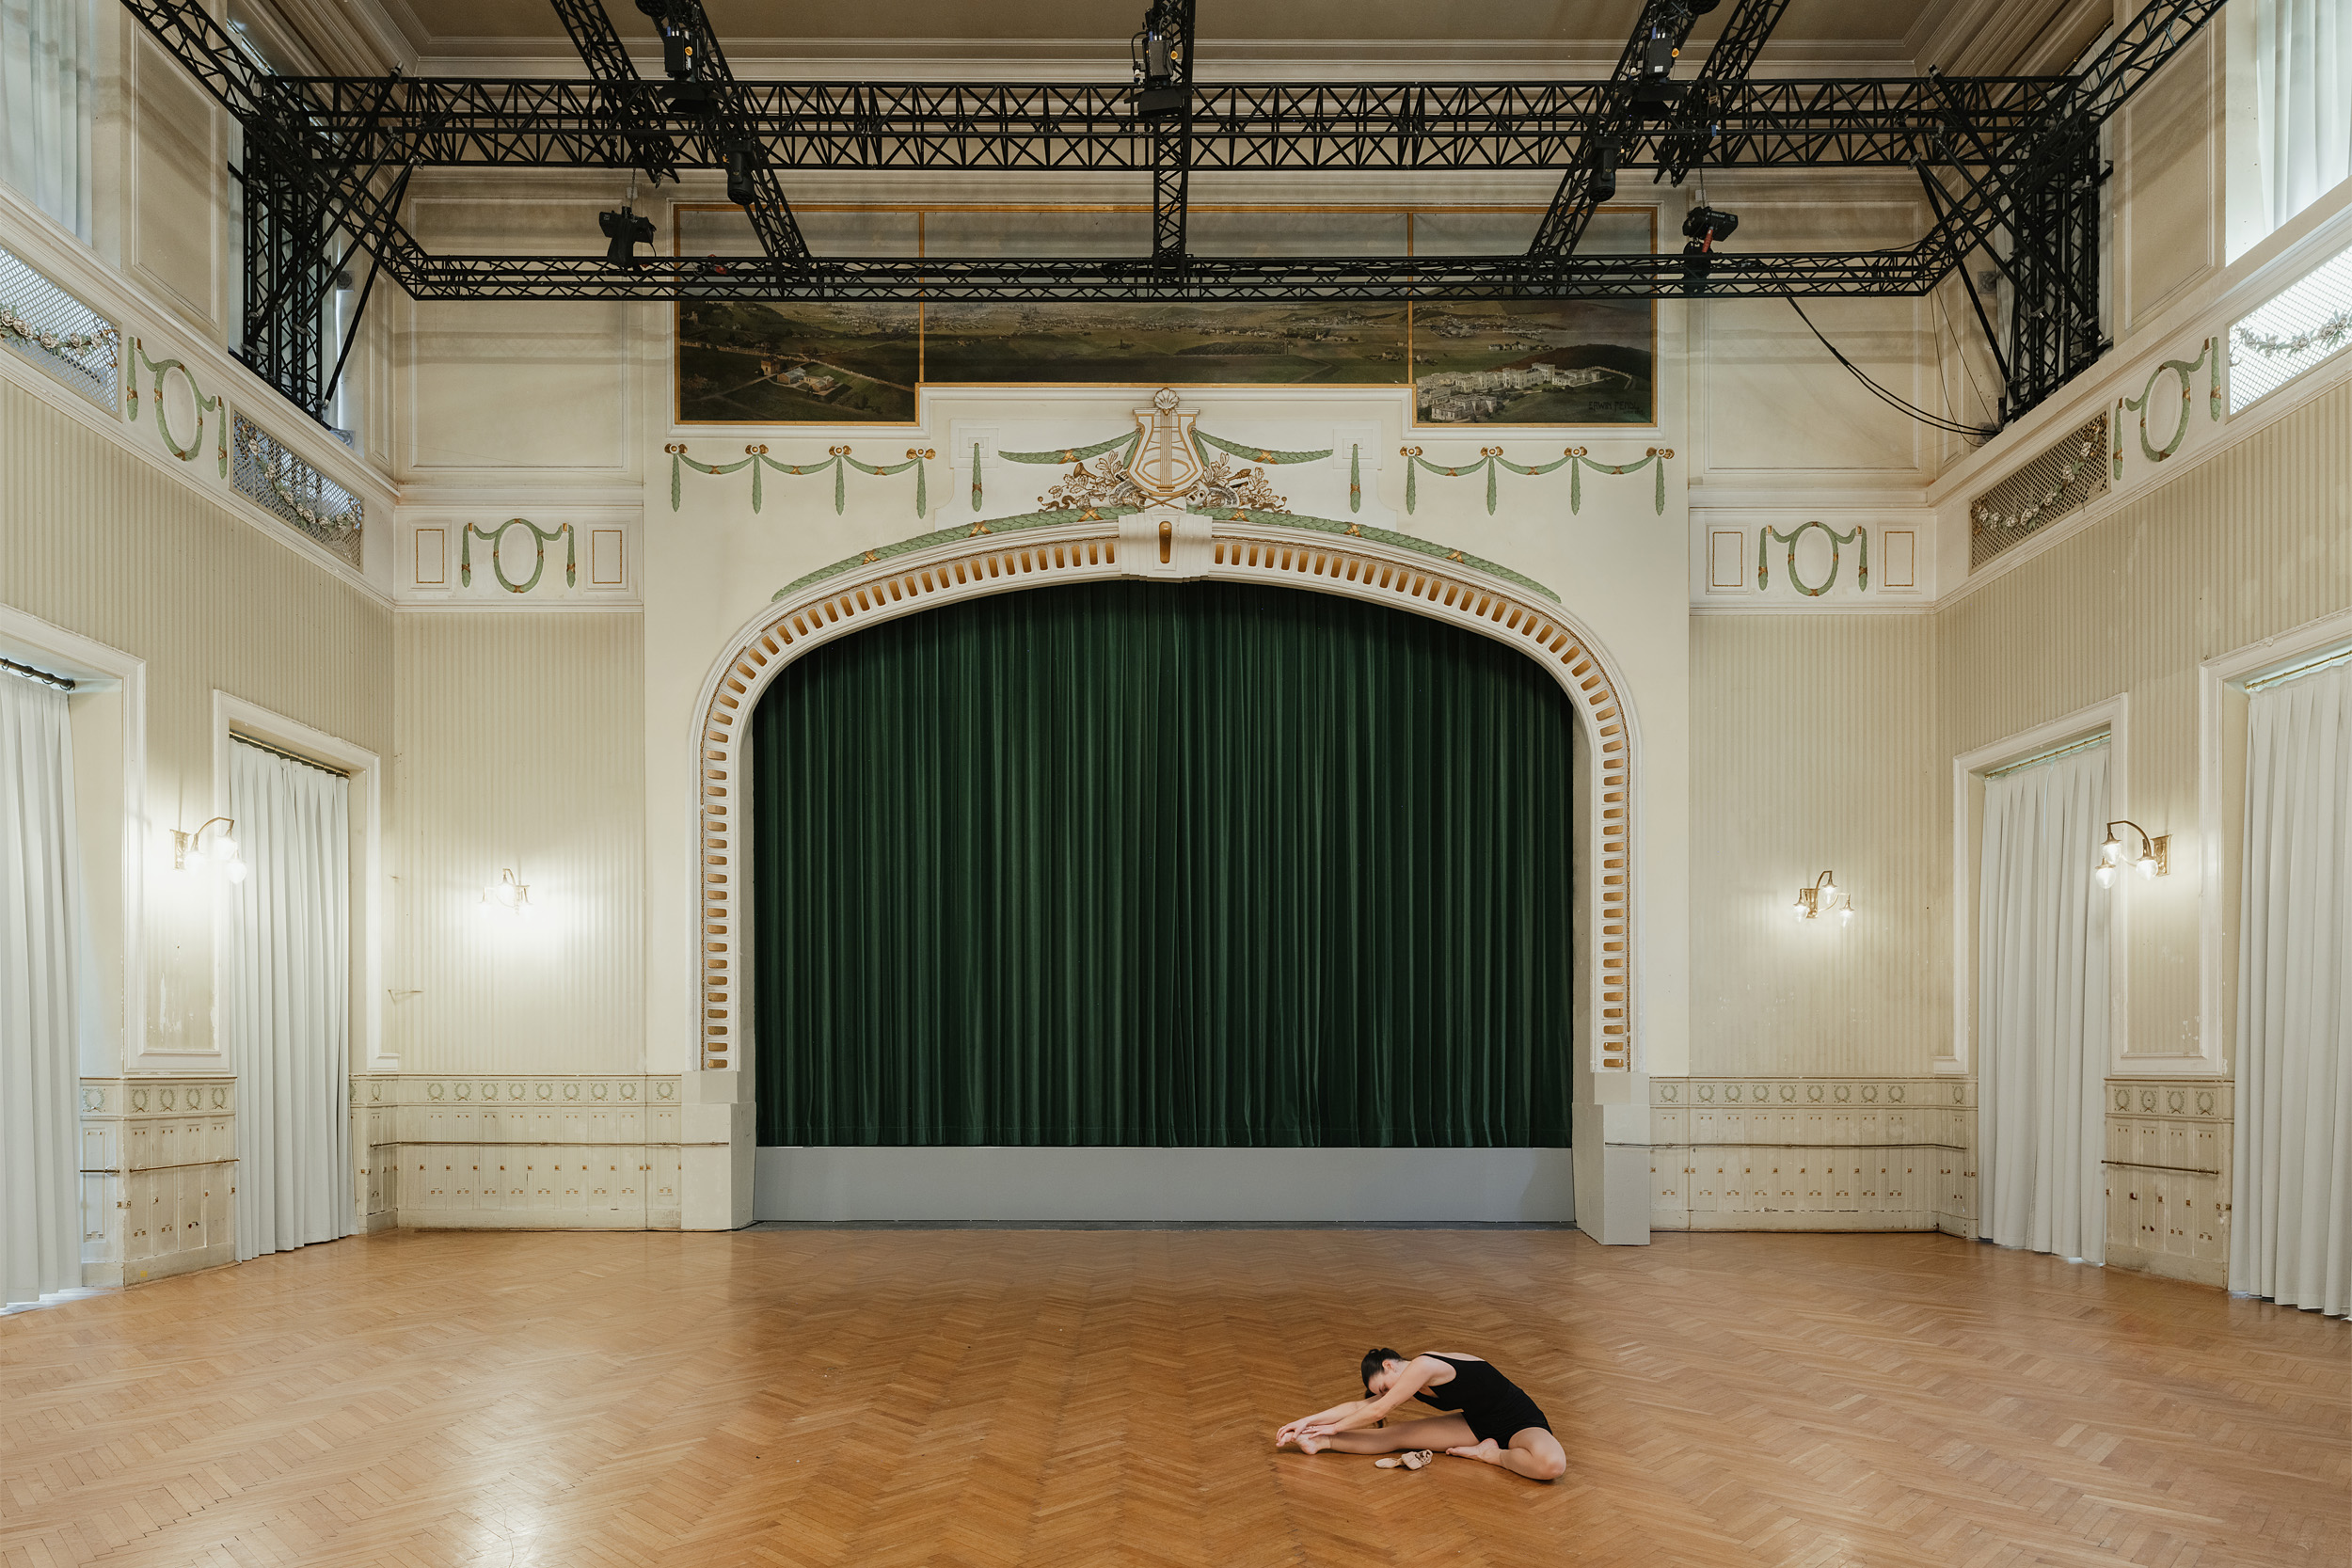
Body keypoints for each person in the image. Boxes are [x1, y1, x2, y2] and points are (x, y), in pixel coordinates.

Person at [1273, 1347, 1567, 1481]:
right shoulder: (1407, 1381)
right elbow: (1358, 1407)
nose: (1386, 1393)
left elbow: (1380, 1409)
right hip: (1475, 1424)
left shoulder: (1424, 1366)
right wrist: (1309, 1424)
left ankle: (1490, 1454)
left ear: (1389, 1365)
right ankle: (1320, 1444)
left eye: (1384, 1387)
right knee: (1396, 1436)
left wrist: (1335, 1426)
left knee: (1552, 1466)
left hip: (1520, 1421)